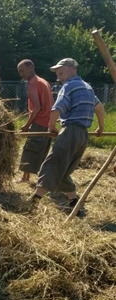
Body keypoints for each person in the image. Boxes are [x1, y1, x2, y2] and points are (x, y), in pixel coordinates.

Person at [29, 58, 105, 214]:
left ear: (72, 68)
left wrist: (51, 126)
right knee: (63, 170)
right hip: (83, 136)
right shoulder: (88, 87)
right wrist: (101, 127)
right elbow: (99, 107)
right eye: (57, 73)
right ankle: (74, 201)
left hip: (70, 131)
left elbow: (57, 108)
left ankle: (35, 199)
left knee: (52, 163)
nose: (58, 75)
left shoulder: (69, 86)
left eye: (60, 72)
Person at [16, 59, 54, 183]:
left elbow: (37, 107)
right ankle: (31, 178)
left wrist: (27, 125)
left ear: (31, 67)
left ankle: (24, 178)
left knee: (30, 149)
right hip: (48, 123)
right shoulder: (44, 82)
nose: (21, 74)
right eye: (19, 72)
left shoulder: (32, 84)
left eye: (22, 71)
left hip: (39, 122)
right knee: (40, 151)